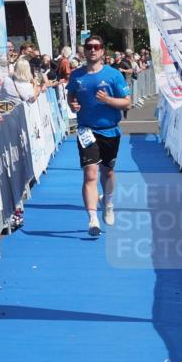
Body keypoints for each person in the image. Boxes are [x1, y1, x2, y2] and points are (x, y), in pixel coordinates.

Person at [66, 35, 131, 237]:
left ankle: (108, 201)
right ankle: (93, 219)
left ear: (103, 51)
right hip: (86, 129)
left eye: (97, 47)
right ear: (84, 51)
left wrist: (108, 99)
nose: (93, 50)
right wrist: (72, 105)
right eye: (89, 47)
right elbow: (71, 95)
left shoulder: (114, 75)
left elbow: (127, 102)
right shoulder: (77, 75)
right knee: (90, 174)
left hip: (110, 130)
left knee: (108, 172)